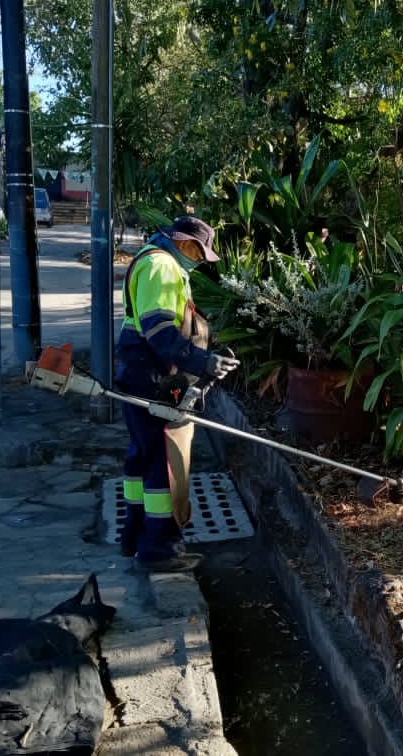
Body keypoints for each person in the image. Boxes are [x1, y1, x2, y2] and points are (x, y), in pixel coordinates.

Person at [115, 216, 240, 572]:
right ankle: (161, 548)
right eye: (199, 253)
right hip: (155, 381)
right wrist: (204, 362)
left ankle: (134, 536)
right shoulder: (162, 266)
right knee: (166, 463)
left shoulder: (150, 260)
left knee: (142, 458)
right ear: (185, 244)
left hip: (139, 376)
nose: (200, 261)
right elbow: (161, 332)